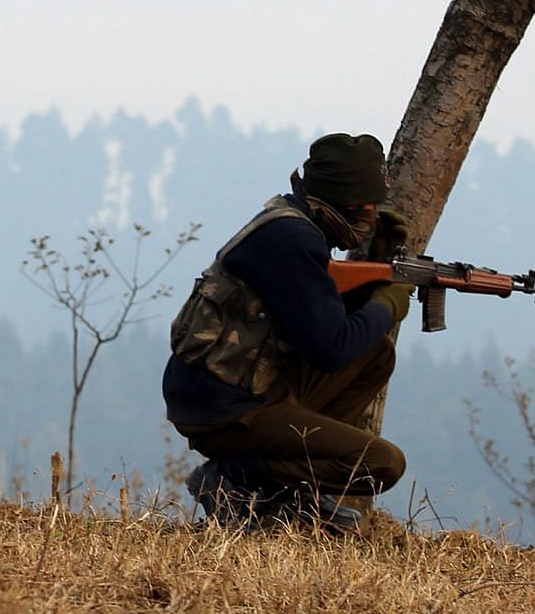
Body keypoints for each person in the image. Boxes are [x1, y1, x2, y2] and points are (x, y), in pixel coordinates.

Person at [162, 133, 413, 531]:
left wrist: (378, 264)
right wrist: (389, 303)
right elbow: (331, 348)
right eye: (364, 205)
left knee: (374, 355)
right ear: (339, 198)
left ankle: (285, 492)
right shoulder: (293, 241)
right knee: (382, 463)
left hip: (240, 387)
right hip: (225, 409)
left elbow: (315, 318)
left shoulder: (291, 222)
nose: (370, 213)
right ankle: (238, 479)